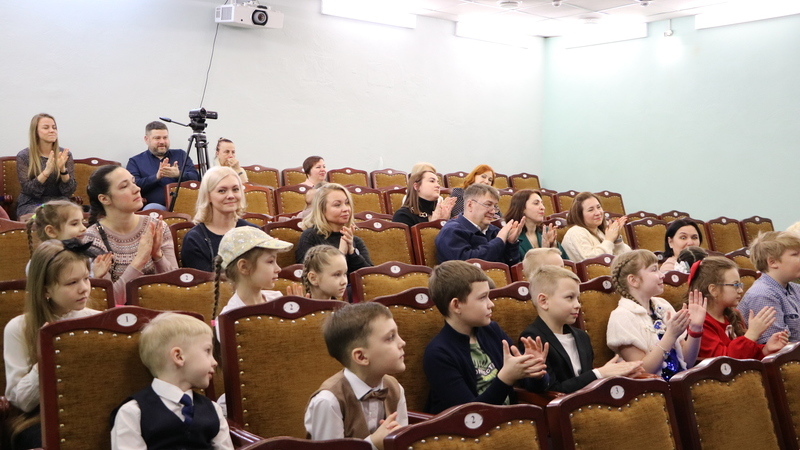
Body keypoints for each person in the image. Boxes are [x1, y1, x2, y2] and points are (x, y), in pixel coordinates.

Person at [5, 239, 100, 449]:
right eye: (71, 283)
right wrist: (46, 357)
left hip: (93, 409)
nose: (84, 289)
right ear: (45, 290)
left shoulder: (97, 321)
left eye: (86, 278)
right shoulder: (18, 328)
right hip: (39, 418)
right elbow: (22, 402)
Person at [423, 261, 548, 414]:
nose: (491, 304)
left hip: (509, 420)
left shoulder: (492, 331)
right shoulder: (438, 353)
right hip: (468, 427)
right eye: (483, 298)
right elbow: (469, 415)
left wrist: (535, 371)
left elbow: (534, 387)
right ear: (456, 305)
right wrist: (506, 378)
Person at [110, 312, 233, 450]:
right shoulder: (133, 413)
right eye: (207, 351)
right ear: (179, 356)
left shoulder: (213, 409)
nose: (215, 362)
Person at [519, 266, 642, 393]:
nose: (577, 305)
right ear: (544, 301)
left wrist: (610, 376)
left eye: (577, 298)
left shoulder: (581, 337)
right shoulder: (533, 338)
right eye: (569, 297)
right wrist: (599, 373)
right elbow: (552, 390)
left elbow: (586, 382)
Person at [305, 302, 407, 450]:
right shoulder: (329, 401)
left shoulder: (395, 388)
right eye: (390, 337)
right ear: (361, 356)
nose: (402, 342)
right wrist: (373, 444)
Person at [83, 165, 178, 304]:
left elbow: (176, 288)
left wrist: (157, 256)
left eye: (133, 182)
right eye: (124, 186)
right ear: (104, 199)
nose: (137, 189)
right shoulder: (92, 239)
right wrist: (139, 261)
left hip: (161, 309)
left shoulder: (157, 226)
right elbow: (110, 300)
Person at [606, 250, 706, 380]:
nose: (662, 275)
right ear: (633, 280)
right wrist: (670, 335)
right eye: (654, 270)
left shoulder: (662, 305)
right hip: (652, 389)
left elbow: (687, 362)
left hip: (679, 382)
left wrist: (695, 329)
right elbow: (643, 371)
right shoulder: (621, 317)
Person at [689, 256, 789, 360]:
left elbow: (746, 356)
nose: (741, 290)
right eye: (735, 285)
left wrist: (766, 349)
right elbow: (725, 362)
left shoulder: (734, 314)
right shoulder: (699, 322)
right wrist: (752, 334)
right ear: (713, 290)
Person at [181, 166, 258, 272]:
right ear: (208, 196)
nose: (231, 196)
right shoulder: (194, 239)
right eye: (222, 191)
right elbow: (204, 281)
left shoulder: (254, 232)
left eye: (235, 189)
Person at [213, 227, 295, 321]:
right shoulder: (229, 318)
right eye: (270, 261)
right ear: (244, 267)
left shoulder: (277, 299)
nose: (278, 269)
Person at [435, 184, 523, 266]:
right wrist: (499, 240)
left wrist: (511, 243)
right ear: (470, 205)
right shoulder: (451, 231)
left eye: (495, 206)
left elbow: (510, 266)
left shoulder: (494, 231)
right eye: (488, 205)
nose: (493, 211)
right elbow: (468, 264)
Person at [737, 231, 800, 344]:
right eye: (795, 254)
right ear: (772, 262)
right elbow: (777, 347)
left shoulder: (795, 288)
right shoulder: (763, 295)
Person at [296, 183, 372, 274]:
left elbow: (370, 276)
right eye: (337, 205)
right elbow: (309, 275)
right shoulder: (310, 236)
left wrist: (352, 252)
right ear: (322, 209)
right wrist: (341, 253)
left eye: (347, 203)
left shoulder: (355, 240)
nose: (346, 209)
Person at [25, 200, 112, 278]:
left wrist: (96, 276)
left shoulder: (83, 257)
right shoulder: (42, 263)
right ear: (51, 231)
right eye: (74, 224)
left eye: (82, 222)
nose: (84, 228)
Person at [126, 121, 200, 210]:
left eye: (165, 137)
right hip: (156, 208)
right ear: (146, 139)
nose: (162, 141)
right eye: (157, 138)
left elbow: (196, 178)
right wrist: (156, 177)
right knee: (151, 208)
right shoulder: (135, 161)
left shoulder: (180, 155)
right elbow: (133, 186)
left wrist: (178, 174)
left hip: (185, 205)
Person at [15, 113, 77, 220]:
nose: (52, 131)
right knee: (43, 215)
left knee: (68, 214)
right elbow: (29, 190)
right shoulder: (24, 156)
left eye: (54, 127)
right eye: (46, 127)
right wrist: (47, 171)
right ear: (35, 132)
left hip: (58, 202)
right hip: (31, 203)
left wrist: (62, 170)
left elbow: (69, 191)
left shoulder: (64, 154)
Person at [561, 192, 630, 262]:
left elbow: (627, 259)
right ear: (579, 215)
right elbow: (592, 263)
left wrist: (616, 240)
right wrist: (609, 240)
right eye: (591, 210)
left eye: (598, 207)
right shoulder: (576, 232)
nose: (598, 213)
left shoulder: (600, 231)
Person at [504, 189, 568, 260]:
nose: (543, 207)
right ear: (522, 208)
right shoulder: (512, 235)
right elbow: (515, 264)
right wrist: (544, 252)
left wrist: (553, 246)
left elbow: (566, 262)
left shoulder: (546, 232)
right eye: (536, 203)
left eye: (542, 203)